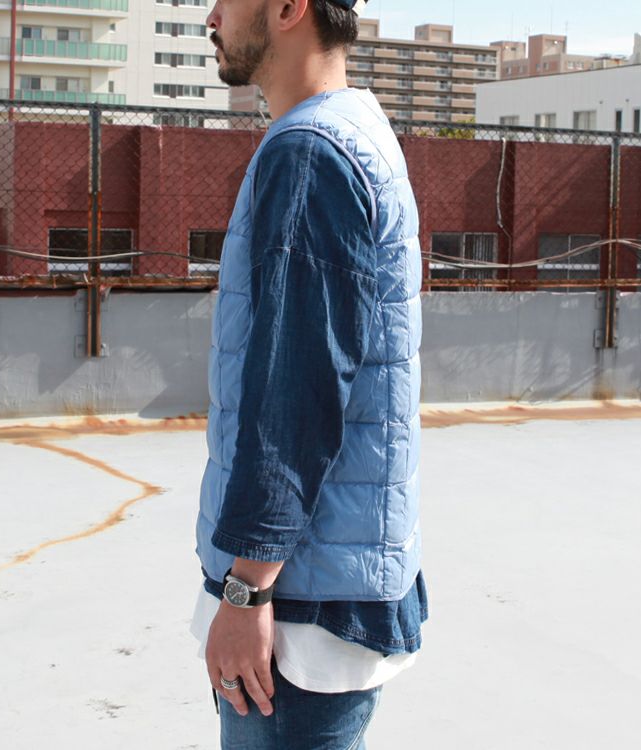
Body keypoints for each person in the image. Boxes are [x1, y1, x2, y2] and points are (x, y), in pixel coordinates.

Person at [190, 0, 427, 747]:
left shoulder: (311, 152)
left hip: (296, 608)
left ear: (291, 8)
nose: (211, 16)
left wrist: (245, 589)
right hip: (326, 576)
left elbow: (298, 393)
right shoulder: (356, 128)